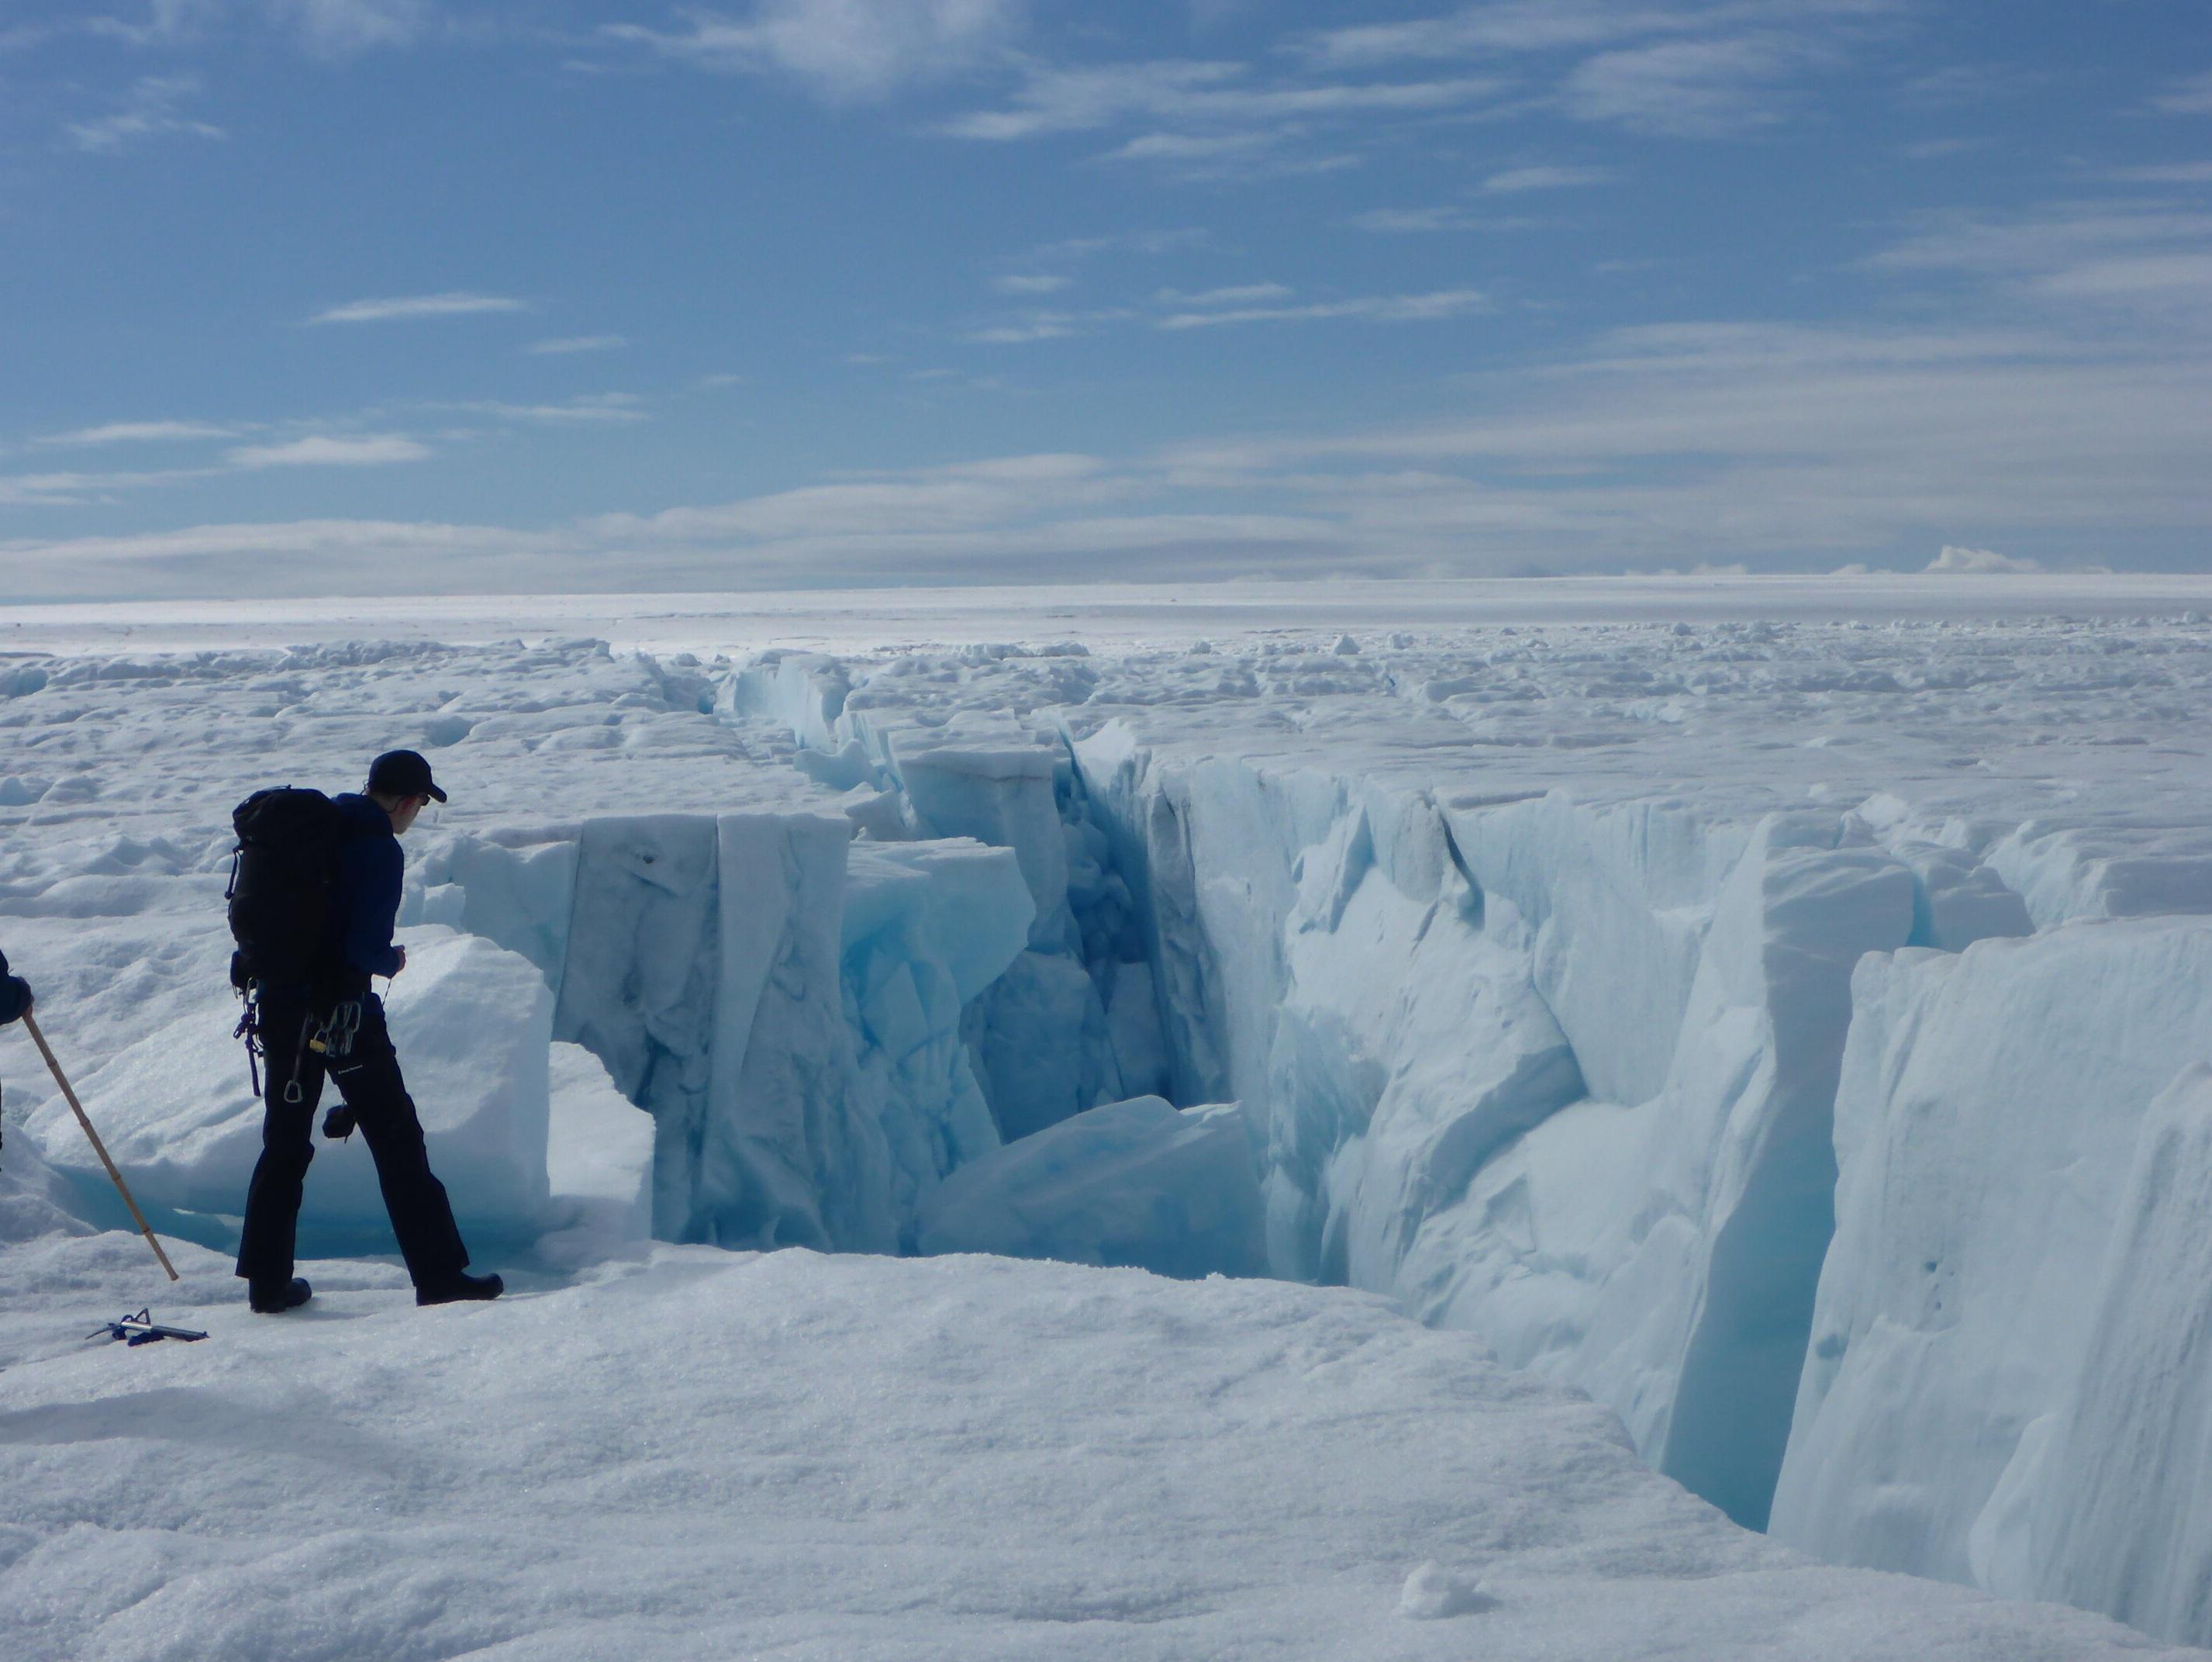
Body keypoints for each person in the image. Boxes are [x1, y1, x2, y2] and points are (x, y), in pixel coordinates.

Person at [233, 750, 503, 1313]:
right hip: (342, 1017)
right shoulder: (378, 848)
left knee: (284, 1143)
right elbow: (362, 946)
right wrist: (390, 959)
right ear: (407, 801)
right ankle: (439, 1276)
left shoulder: (313, 829)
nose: (417, 813)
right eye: (422, 803)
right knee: (399, 1141)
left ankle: (267, 1283)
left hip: (279, 1007)